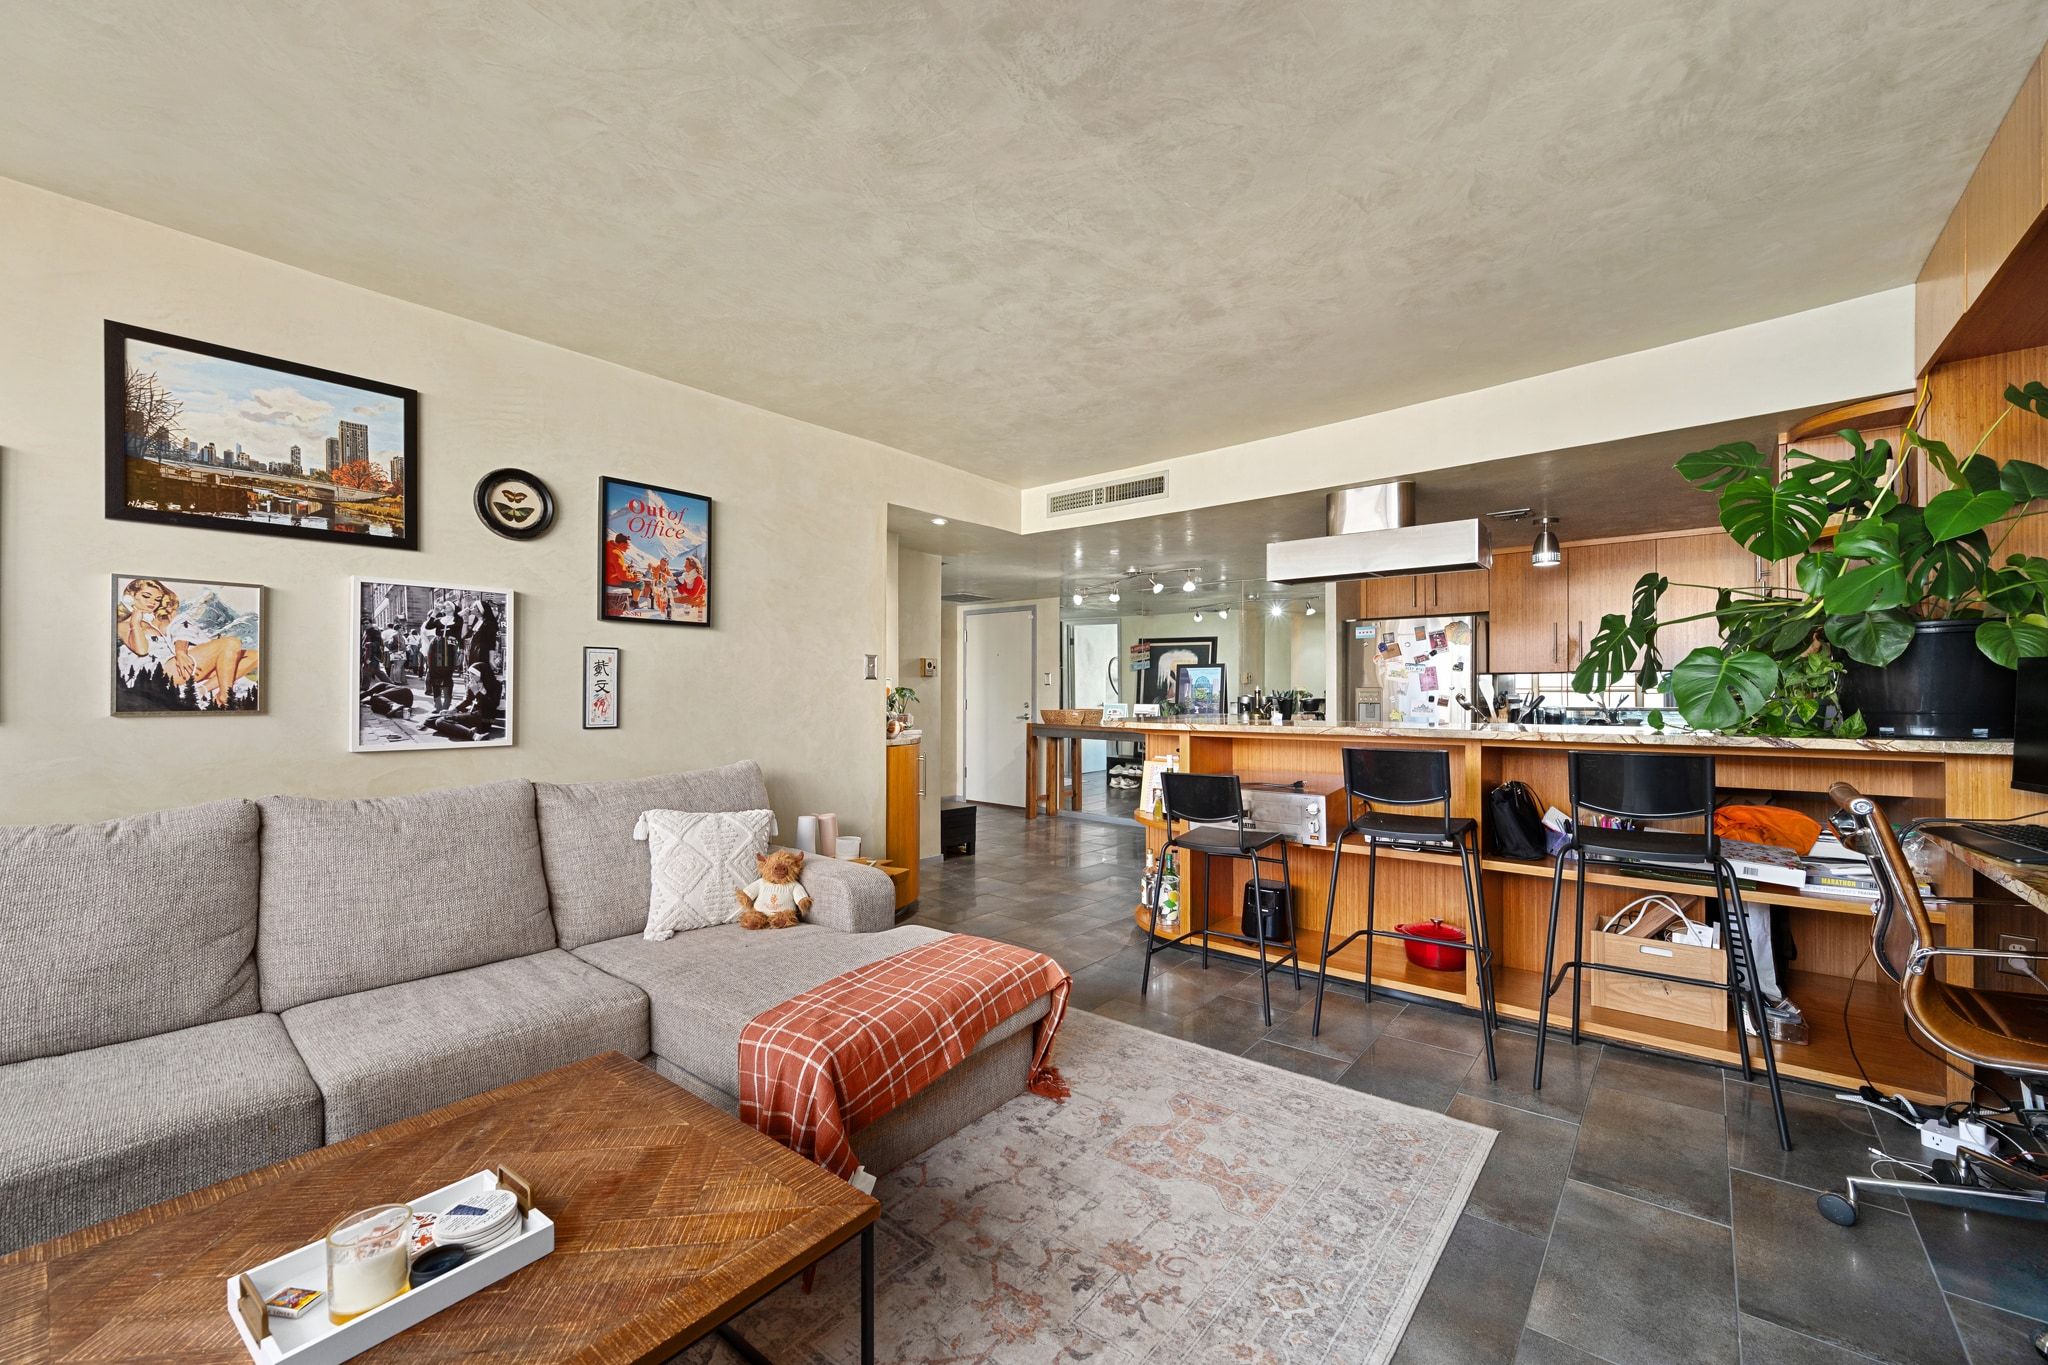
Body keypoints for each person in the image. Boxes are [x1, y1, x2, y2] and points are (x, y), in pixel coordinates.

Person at [115, 577, 259, 709]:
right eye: (146, 596)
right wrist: (135, 622)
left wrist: (180, 651)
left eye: (157, 599)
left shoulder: (160, 617)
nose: (152, 602)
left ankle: (203, 689)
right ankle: (225, 696)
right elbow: (141, 650)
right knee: (231, 643)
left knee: (254, 656)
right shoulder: (123, 625)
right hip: (162, 671)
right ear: (130, 597)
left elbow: (182, 631)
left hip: (181, 663)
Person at [425, 663, 502, 742]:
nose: (470, 676)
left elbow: (493, 704)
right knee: (429, 720)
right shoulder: (474, 683)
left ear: (481, 674)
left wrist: (477, 692)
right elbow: (468, 701)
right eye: (469, 674)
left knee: (440, 721)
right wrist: (453, 710)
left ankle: (474, 735)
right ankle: (461, 729)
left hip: (484, 718)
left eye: (473, 674)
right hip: (471, 714)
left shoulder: (496, 685)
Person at [422, 614, 459, 712]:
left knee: (445, 684)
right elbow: (430, 654)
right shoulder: (436, 640)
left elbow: (455, 653)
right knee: (438, 685)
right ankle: (439, 707)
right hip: (438, 668)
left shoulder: (450, 639)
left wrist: (454, 666)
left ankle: (444, 707)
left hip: (445, 668)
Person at [604, 532, 640, 615]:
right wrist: (634, 577)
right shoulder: (617, 554)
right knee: (640, 583)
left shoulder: (609, 547)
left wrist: (626, 567)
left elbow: (614, 566)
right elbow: (622, 576)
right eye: (628, 545)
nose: (628, 548)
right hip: (613, 580)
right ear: (622, 544)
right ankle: (634, 603)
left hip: (608, 577)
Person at [676, 555, 707, 620]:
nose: (684, 566)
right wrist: (677, 583)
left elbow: (693, 594)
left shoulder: (698, 578)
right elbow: (682, 591)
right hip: (689, 601)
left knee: (674, 602)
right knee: (671, 601)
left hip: (698, 603)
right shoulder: (687, 576)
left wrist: (683, 585)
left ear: (692, 566)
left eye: (686, 565)